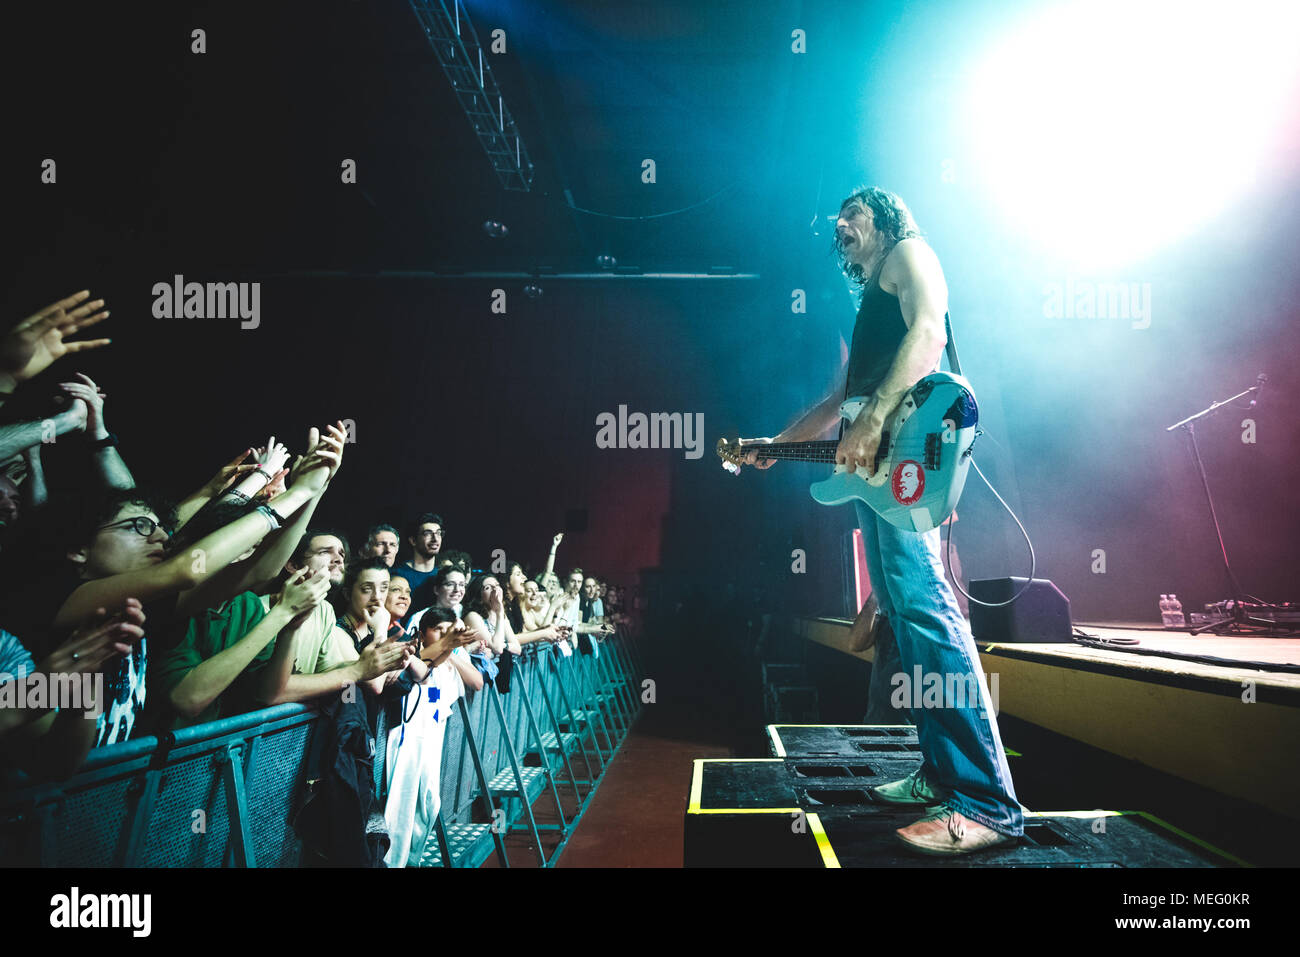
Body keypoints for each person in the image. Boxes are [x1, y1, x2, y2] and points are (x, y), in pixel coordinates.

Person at [740, 185, 1022, 855]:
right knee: (903, 612)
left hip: (902, 455)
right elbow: (842, 395)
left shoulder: (909, 251)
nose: (840, 223)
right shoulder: (869, 298)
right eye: (836, 220)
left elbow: (929, 330)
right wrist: (777, 445)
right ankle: (938, 772)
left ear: (886, 216)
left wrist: (872, 418)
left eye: (853, 212)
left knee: (926, 609)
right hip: (876, 472)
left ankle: (985, 799)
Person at [382, 606, 480, 867]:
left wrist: (451, 652)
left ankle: (411, 861)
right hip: (407, 739)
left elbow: (437, 700)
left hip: (430, 739)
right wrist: (445, 649)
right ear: (422, 633)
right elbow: (419, 673)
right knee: (400, 810)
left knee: (429, 804)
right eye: (438, 630)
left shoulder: (445, 664)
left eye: (449, 631)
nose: (445, 636)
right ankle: (393, 863)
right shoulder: (413, 655)